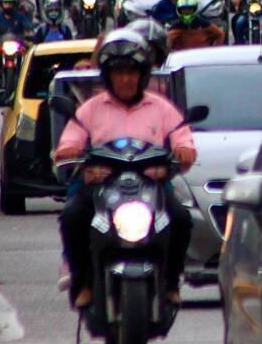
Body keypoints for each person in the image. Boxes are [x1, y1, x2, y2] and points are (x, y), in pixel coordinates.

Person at [54, 30, 195, 307]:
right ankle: (82, 282)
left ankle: (170, 281)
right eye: (119, 73)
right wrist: (73, 156)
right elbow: (68, 144)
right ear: (108, 76)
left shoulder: (162, 108)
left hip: (151, 184)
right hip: (100, 185)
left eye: (132, 72)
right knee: (71, 216)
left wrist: (181, 153)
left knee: (181, 219)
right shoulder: (90, 110)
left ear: (143, 75)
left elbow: (183, 140)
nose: (126, 79)